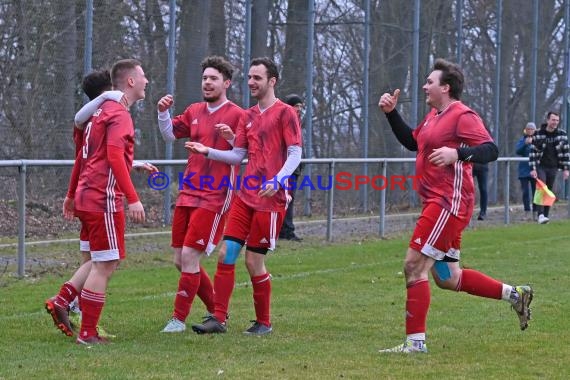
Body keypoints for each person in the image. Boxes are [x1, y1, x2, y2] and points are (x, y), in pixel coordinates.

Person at [377, 58, 533, 353]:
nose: (424, 86)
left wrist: (457, 154)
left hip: (448, 202)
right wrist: (391, 114)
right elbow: (414, 143)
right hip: (438, 202)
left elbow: (491, 150)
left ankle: (415, 344)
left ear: (445, 87)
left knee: (413, 266)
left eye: (430, 82)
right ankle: (516, 295)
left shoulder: (462, 115)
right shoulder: (434, 115)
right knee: (449, 277)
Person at [186, 57, 302, 335]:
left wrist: (278, 179)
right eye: (249, 77)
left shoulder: (286, 113)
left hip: (271, 198)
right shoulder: (247, 116)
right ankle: (218, 319)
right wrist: (207, 151)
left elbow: (296, 152)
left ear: (271, 81)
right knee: (226, 253)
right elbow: (238, 155)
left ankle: (264, 322)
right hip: (245, 195)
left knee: (253, 261)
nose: (251, 82)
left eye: (257, 78)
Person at [47, 59, 148, 345]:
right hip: (103, 199)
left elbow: (88, 157)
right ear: (129, 81)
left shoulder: (97, 114)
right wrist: (133, 198)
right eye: (142, 76)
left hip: (87, 194)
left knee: (95, 261)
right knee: (105, 264)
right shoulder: (118, 113)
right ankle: (88, 332)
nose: (146, 81)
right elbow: (114, 156)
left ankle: (64, 301)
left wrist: (70, 195)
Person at [156, 56, 244, 333]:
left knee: (190, 256)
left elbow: (242, 155)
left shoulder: (238, 115)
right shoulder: (194, 110)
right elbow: (170, 135)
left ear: (226, 83)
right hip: (188, 193)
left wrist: (230, 137)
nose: (207, 82)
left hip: (215, 196)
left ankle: (178, 320)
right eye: (205, 78)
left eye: (213, 78)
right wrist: (162, 113)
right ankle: (218, 312)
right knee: (179, 260)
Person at [529, 112, 570, 224]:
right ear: (547, 120)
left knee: (549, 191)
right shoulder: (538, 133)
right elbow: (532, 152)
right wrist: (532, 168)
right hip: (540, 165)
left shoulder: (562, 134)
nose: (555, 122)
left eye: (557, 120)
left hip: (554, 167)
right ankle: (540, 214)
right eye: (553, 120)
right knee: (542, 188)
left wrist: (566, 169)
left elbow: (566, 152)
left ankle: (545, 216)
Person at [278, 93, 304, 241]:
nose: (299, 109)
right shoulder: (284, 122)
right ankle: (286, 231)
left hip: (295, 169)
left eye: (301, 106)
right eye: (296, 106)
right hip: (285, 169)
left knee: (288, 199)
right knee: (285, 199)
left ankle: (285, 230)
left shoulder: (298, 123)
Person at [515, 122, 538, 220]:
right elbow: (518, 151)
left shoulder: (538, 140)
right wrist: (525, 144)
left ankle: (536, 213)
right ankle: (527, 212)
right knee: (525, 192)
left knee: (535, 193)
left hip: (535, 170)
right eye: (528, 129)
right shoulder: (522, 140)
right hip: (524, 170)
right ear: (525, 130)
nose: (530, 131)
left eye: (532, 129)